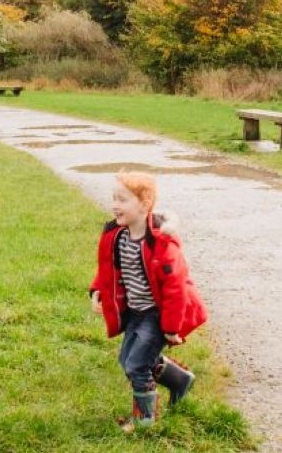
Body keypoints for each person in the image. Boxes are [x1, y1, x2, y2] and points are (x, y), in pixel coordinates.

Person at [89, 172, 207, 430]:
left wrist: (171, 328)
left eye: (122, 200)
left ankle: (145, 420)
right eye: (114, 199)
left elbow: (176, 289)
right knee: (127, 360)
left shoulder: (162, 243)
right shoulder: (118, 236)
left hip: (158, 314)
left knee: (136, 364)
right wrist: (97, 290)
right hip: (135, 312)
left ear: (144, 204)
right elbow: (108, 269)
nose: (114, 205)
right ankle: (179, 380)